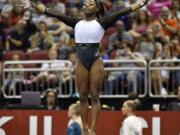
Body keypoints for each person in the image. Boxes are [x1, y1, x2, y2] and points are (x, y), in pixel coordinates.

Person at [21, 0, 149, 134]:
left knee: (94, 96)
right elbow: (56, 14)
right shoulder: (76, 22)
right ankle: (85, 128)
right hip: (81, 60)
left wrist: (139, 4)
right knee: (82, 97)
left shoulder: (102, 22)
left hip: (95, 61)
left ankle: (93, 129)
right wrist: (35, 6)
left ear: (97, 9)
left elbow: (120, 12)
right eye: (85, 3)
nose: (86, 5)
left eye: (91, 4)